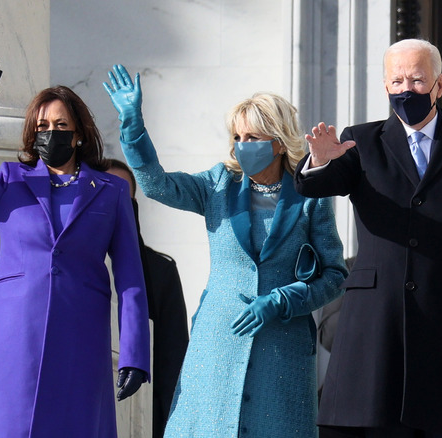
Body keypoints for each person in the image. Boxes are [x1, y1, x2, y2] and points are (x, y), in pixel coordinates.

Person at [104, 65, 348, 438]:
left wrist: (285, 300)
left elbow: (334, 276)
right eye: (237, 136)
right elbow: (157, 186)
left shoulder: (309, 195)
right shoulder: (218, 183)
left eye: (253, 136)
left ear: (279, 141)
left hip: (282, 350)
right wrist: (134, 127)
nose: (242, 145)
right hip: (219, 341)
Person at [294, 39, 442, 438]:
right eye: (396, 80)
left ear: (439, 85)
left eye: (417, 79)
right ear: (384, 86)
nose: (406, 89)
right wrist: (320, 161)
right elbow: (317, 185)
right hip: (374, 332)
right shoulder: (359, 142)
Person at [0, 61, 150, 437]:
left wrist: (135, 355)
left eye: (60, 126)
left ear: (78, 134)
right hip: (12, 333)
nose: (51, 133)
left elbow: (131, 279)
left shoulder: (110, 192)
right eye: (42, 127)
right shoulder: (7, 182)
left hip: (81, 333)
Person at [107, 159, 190, 438]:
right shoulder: (71, 266)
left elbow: (172, 360)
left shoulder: (159, 271)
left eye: (124, 198)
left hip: (140, 416)